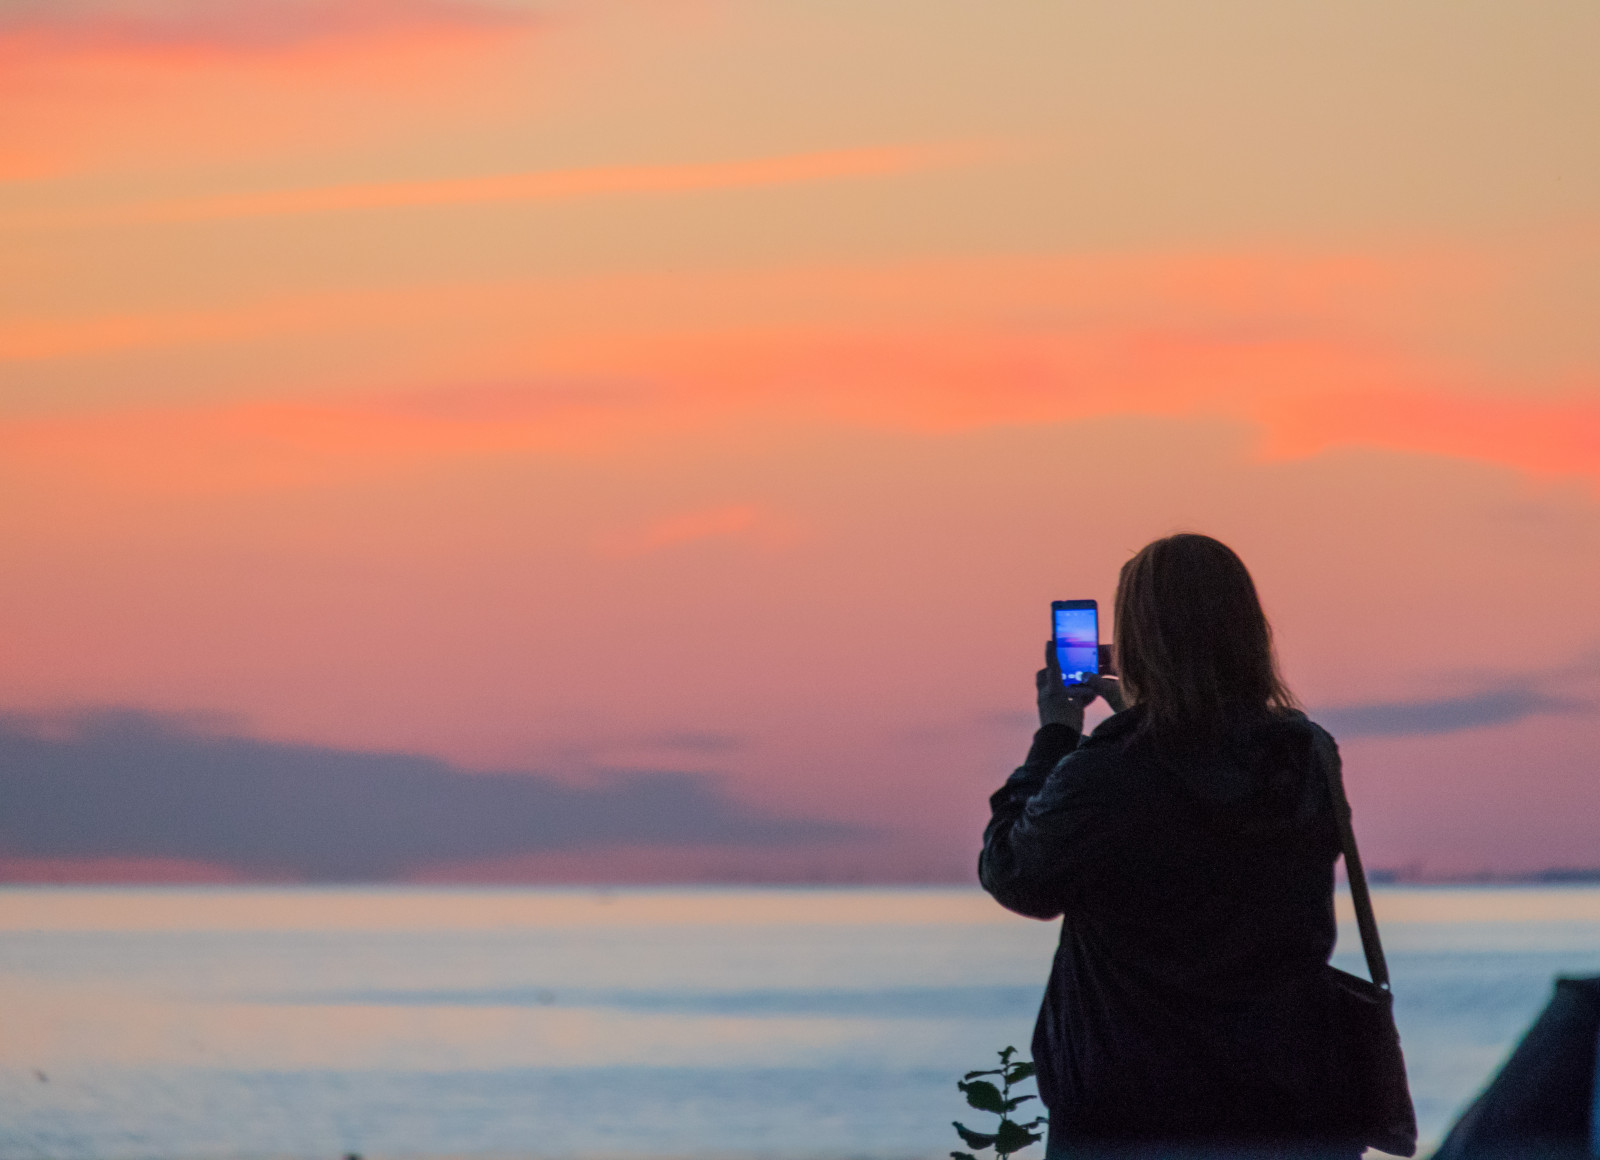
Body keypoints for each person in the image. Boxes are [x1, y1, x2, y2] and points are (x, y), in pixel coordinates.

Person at [979, 534, 1361, 1160]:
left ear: (1137, 640)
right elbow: (1207, 788)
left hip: (1134, 1114)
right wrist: (1138, 715)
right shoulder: (1304, 754)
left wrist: (1055, 736)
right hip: (1289, 1104)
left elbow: (1014, 873)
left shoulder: (1109, 771)